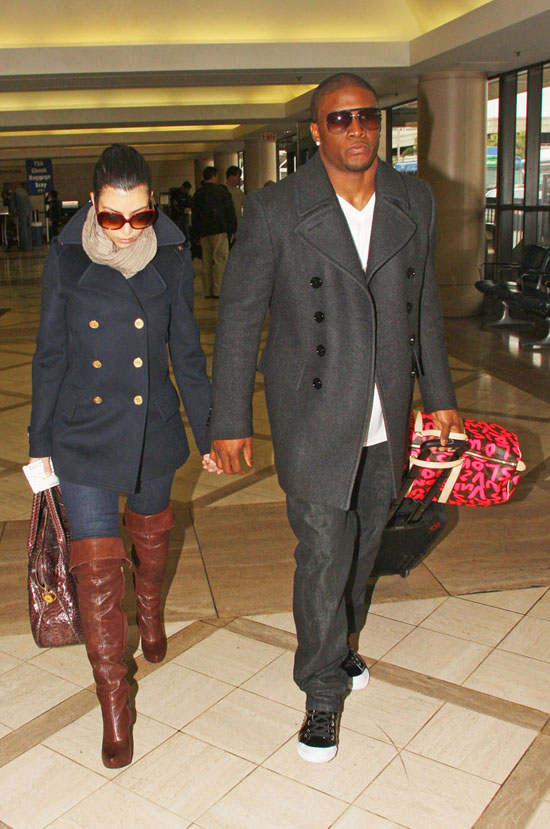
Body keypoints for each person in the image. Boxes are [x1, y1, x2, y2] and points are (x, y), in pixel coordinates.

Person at [208, 74, 460, 763]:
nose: (357, 129)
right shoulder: (274, 209)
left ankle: (341, 642)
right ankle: (321, 692)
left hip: (387, 413)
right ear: (316, 131)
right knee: (323, 550)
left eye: (367, 117)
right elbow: (238, 322)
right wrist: (228, 419)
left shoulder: (414, 197)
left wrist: (440, 398)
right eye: (340, 118)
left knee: (363, 542)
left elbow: (424, 306)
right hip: (315, 410)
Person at [28, 143, 218, 770]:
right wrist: (38, 446)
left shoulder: (173, 251)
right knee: (98, 566)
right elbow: (51, 353)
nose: (129, 229)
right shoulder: (65, 256)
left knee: (152, 535)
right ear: (92, 205)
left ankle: (152, 610)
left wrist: (215, 429)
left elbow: (185, 351)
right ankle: (115, 699)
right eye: (114, 217)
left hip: (151, 427)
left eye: (140, 216)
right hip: (81, 430)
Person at [191, 166, 237, 298]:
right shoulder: (221, 192)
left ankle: (208, 291)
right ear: (214, 176)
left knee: (206, 262)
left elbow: (195, 216)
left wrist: (196, 235)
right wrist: (233, 229)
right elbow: (229, 211)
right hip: (220, 230)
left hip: (203, 233)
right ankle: (219, 290)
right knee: (220, 261)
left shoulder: (198, 194)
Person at [9, 181, 32, 250]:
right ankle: (29, 244)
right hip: (28, 211)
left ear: (16, 184)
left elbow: (12, 204)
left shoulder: (14, 192)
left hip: (21, 211)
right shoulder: (25, 191)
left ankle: (24, 245)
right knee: (28, 228)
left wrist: (11, 212)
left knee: (22, 228)